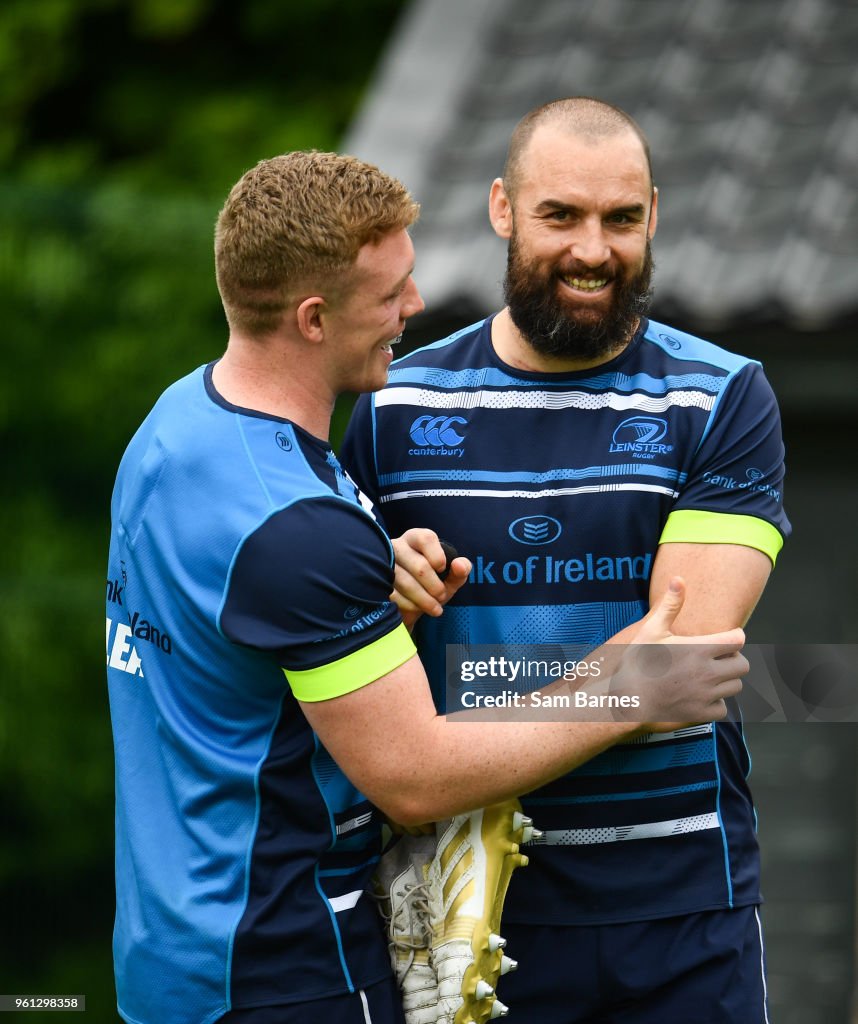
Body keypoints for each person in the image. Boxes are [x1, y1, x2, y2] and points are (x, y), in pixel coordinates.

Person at [105, 150, 748, 1024]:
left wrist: (373, 569)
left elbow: (262, 619)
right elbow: (415, 776)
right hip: (289, 963)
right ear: (313, 317)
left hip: (167, 951)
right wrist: (630, 688)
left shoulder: (176, 426)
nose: (414, 309)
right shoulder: (298, 530)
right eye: (390, 294)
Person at [340, 98, 790, 1024]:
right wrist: (384, 583)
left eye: (621, 219)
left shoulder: (723, 398)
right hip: (465, 907)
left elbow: (681, 654)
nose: (594, 249)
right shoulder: (391, 408)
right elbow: (346, 648)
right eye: (562, 216)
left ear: (653, 215)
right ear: (503, 208)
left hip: (677, 907)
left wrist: (490, 695)